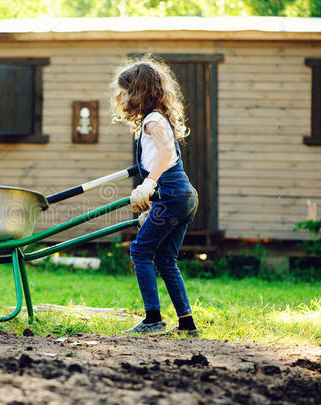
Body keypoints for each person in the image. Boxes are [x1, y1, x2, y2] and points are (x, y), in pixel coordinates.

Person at [111, 57, 200, 336]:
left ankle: (152, 319)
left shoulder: (151, 121)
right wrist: (153, 199)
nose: (121, 98)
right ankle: (187, 324)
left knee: (140, 251)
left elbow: (165, 154)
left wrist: (148, 184)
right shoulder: (158, 119)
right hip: (183, 195)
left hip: (171, 193)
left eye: (125, 92)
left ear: (138, 92)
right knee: (165, 259)